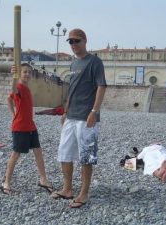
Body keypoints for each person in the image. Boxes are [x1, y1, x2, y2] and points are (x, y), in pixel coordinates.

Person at [50, 28, 107, 208]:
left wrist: (94, 111)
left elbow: (101, 87)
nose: (73, 45)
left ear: (84, 41)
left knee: (86, 156)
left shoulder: (94, 62)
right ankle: (68, 189)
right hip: (71, 116)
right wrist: (65, 111)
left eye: (76, 41)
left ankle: (84, 193)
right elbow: (71, 90)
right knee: (64, 153)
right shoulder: (74, 64)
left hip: (86, 117)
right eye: (70, 42)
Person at [1, 63, 53, 195]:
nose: (27, 74)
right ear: (20, 74)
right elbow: (12, 92)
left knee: (38, 152)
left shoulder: (27, 88)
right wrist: (14, 76)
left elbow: (8, 98)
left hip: (30, 125)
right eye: (24, 72)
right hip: (20, 127)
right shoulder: (18, 87)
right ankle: (6, 182)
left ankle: (43, 179)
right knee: (16, 154)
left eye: (29, 72)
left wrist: (13, 113)